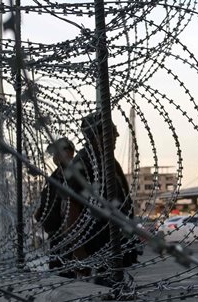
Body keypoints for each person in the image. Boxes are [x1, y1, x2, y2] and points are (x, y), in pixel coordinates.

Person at [65, 113, 136, 285]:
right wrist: (79, 252)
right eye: (112, 131)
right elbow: (71, 210)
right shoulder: (82, 164)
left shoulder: (108, 161)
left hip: (113, 248)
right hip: (96, 250)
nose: (117, 135)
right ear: (97, 135)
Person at [34, 137, 76, 269]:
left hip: (66, 233)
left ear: (69, 153)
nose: (55, 156)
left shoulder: (73, 174)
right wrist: (41, 213)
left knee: (65, 270)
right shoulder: (56, 175)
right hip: (55, 233)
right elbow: (49, 198)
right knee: (57, 268)